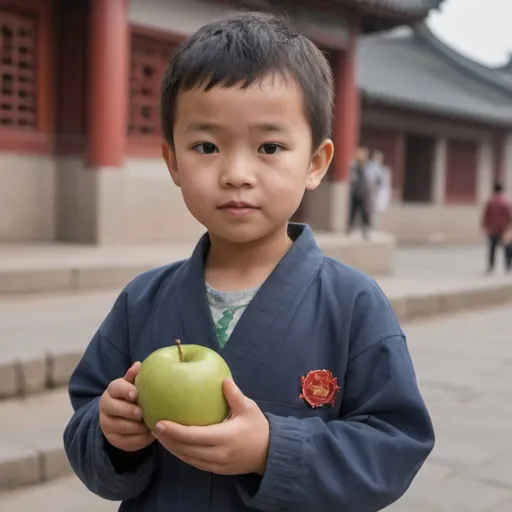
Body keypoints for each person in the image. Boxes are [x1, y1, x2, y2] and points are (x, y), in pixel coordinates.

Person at [63, 11, 434, 512]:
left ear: (316, 163)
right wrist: (110, 433)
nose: (237, 173)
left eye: (269, 147)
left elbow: (395, 446)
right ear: (172, 160)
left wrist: (271, 450)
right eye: (207, 146)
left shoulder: (352, 304)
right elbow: (86, 412)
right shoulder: (142, 300)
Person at [482, 183, 512, 273]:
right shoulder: (506, 202)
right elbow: (510, 216)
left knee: (492, 249)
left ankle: (491, 266)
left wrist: (485, 226)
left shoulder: (490, 202)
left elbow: (486, 216)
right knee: (507, 248)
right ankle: (507, 265)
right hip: (504, 230)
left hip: (492, 230)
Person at [348, 146, 372, 237]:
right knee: (353, 210)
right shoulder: (354, 166)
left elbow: (370, 180)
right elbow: (352, 178)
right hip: (355, 192)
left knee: (365, 212)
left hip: (365, 193)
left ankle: (365, 230)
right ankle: (350, 227)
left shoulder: (368, 166)